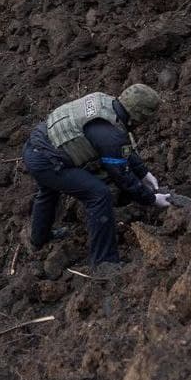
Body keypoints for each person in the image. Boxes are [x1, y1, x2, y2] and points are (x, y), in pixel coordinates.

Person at [21, 84, 170, 273]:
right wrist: (151, 199)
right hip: (45, 160)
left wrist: (143, 173)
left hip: (36, 145)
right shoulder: (109, 133)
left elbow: (119, 148)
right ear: (139, 115)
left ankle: (39, 239)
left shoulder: (106, 103)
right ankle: (104, 263)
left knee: (49, 190)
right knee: (99, 194)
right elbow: (121, 175)